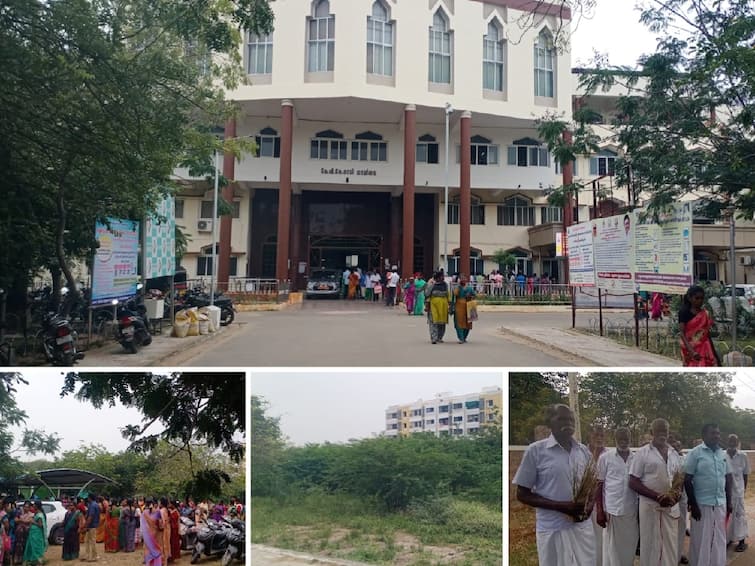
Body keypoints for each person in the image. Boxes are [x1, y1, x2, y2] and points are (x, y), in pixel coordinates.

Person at [513, 404, 595, 566]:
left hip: (581, 528)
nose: (568, 423)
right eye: (562, 419)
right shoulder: (535, 451)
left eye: (571, 419)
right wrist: (561, 506)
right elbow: (522, 494)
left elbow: (592, 486)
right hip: (552, 529)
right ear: (549, 423)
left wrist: (589, 507)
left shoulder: (583, 451)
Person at [628, 418, 683, 566]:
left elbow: (679, 480)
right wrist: (657, 497)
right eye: (658, 430)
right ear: (652, 432)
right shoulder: (642, 453)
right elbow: (633, 481)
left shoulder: (674, 453)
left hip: (670, 508)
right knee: (652, 545)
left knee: (670, 545)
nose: (662, 433)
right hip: (651, 508)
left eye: (664, 430)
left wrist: (676, 495)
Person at [684, 424, 732, 566]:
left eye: (718, 433)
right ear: (704, 435)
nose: (716, 436)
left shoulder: (722, 454)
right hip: (702, 505)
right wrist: (693, 504)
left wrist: (729, 502)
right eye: (713, 433)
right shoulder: (695, 453)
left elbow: (728, 478)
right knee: (701, 539)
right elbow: (687, 479)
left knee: (719, 538)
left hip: (720, 504)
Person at [595, 428, 638, 566]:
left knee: (629, 546)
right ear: (615, 439)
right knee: (612, 548)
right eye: (620, 439)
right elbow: (598, 485)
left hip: (631, 510)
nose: (623, 442)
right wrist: (600, 511)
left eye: (626, 439)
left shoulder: (636, 458)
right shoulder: (605, 458)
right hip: (612, 510)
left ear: (630, 439)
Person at [679, 285, 719, 366]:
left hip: (705, 348)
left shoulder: (704, 313)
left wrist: (714, 353)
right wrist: (691, 351)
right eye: (697, 298)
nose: (700, 301)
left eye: (702, 298)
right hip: (690, 348)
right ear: (690, 298)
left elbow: (706, 334)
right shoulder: (684, 312)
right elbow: (682, 333)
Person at [725, 434, 749, 552]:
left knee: (740, 517)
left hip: (738, 492)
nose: (732, 443)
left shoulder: (743, 456)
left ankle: (742, 541)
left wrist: (743, 490)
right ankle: (728, 539)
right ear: (727, 442)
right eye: (730, 441)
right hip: (726, 493)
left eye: (734, 441)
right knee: (727, 517)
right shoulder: (722, 456)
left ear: (738, 442)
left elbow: (745, 475)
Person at [425, 271, 450, 344]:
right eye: (442, 276)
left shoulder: (445, 285)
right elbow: (427, 294)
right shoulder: (432, 285)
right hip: (433, 306)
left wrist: (450, 304)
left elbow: (448, 295)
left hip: (443, 307)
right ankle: (434, 338)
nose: (443, 277)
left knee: (442, 323)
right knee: (433, 322)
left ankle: (440, 337)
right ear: (438, 278)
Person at [451, 275, 476, 343]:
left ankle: (464, 337)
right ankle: (461, 338)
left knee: (468, 322)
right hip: (459, 305)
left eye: (464, 279)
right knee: (459, 321)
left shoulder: (469, 288)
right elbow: (454, 294)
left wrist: (470, 296)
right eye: (461, 279)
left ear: (466, 280)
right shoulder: (457, 287)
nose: (463, 280)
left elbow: (474, 295)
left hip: (469, 305)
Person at [140, 500, 162, 566]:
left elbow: (142, 525)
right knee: (156, 548)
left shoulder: (144, 513)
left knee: (148, 548)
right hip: (155, 533)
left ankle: (148, 563)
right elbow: (161, 523)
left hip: (147, 534)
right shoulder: (157, 512)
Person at [84, 494, 101, 562]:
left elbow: (90, 516)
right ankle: (87, 555)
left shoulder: (92, 505)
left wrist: (86, 525)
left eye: (88, 498)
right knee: (87, 541)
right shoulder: (95, 504)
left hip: (91, 525)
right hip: (93, 525)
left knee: (92, 541)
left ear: (90, 498)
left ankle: (94, 556)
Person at [159, 498, 171, 566]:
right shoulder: (167, 510)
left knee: (163, 546)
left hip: (163, 530)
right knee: (166, 544)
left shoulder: (161, 511)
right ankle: (165, 561)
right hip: (167, 529)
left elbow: (162, 522)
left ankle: (163, 562)